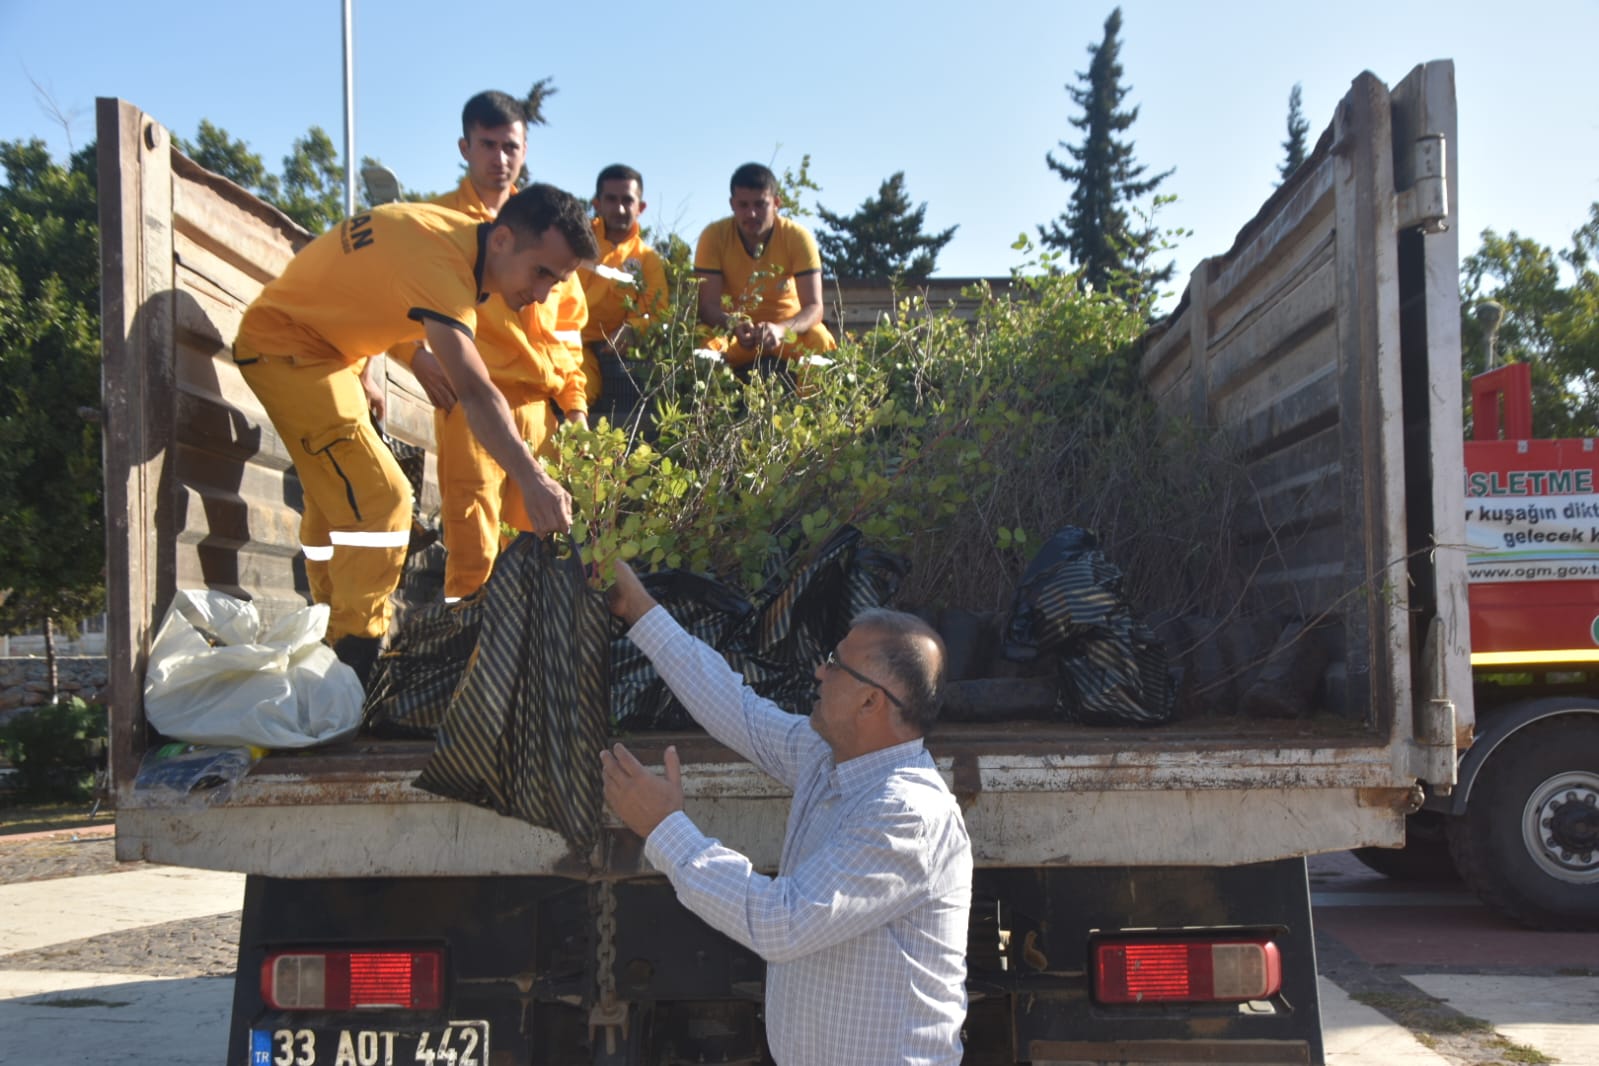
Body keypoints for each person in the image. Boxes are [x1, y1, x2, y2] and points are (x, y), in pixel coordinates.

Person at [600, 559, 972, 1066]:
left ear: (871, 702)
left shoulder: (907, 815)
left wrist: (666, 830)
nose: (820, 671)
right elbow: (737, 707)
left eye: (836, 664)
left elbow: (782, 923)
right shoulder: (828, 758)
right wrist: (638, 609)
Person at [232, 181, 598, 684]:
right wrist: (534, 480)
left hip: (335, 355)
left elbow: (364, 284)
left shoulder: (454, 239)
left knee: (338, 502)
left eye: (553, 283)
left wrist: (365, 370)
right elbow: (474, 389)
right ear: (504, 240)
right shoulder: (443, 268)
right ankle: (348, 670)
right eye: (540, 273)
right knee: (383, 501)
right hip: (287, 349)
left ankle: (322, 635)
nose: (540, 295)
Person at [391, 90, 594, 601]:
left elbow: (567, 338)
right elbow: (389, 303)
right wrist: (413, 356)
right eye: (488, 145)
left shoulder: (552, 232)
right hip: (474, 409)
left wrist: (574, 410)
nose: (500, 159)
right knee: (475, 558)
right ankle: (467, 672)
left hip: (541, 415)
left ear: (525, 150)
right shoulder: (433, 222)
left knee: (542, 554)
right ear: (465, 147)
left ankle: (523, 670)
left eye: (511, 147)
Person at [693, 163, 837, 368]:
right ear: (732, 204)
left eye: (760, 205)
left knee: (820, 340)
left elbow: (814, 307)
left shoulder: (797, 237)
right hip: (735, 336)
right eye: (743, 205)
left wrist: (780, 330)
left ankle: (811, 401)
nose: (751, 214)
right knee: (703, 346)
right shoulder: (714, 236)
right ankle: (711, 400)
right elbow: (707, 306)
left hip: (787, 333)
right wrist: (733, 325)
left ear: (776, 203)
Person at [578, 164, 668, 419]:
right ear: (597, 203)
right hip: (571, 344)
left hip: (616, 353)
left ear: (641, 207)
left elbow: (658, 314)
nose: (619, 208)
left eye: (627, 200)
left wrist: (634, 327)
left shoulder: (648, 259)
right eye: (611, 199)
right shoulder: (575, 241)